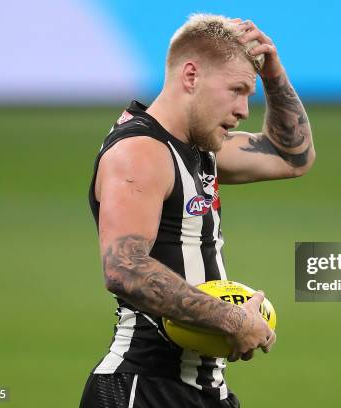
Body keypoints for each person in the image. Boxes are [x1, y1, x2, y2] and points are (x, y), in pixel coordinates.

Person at [80, 13, 315, 408]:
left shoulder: (200, 147)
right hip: (144, 388)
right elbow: (125, 268)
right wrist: (232, 320)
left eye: (249, 95)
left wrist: (274, 74)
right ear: (191, 76)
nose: (243, 109)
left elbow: (291, 156)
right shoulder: (140, 152)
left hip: (200, 391)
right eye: (237, 90)